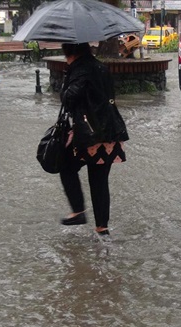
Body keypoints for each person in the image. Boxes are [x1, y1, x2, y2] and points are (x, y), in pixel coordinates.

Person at [58, 42, 129, 236]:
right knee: (99, 180)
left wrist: (66, 80)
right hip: (110, 131)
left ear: (70, 52)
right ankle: (102, 228)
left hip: (90, 133)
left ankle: (79, 211)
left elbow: (69, 98)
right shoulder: (101, 67)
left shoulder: (81, 70)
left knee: (66, 166)